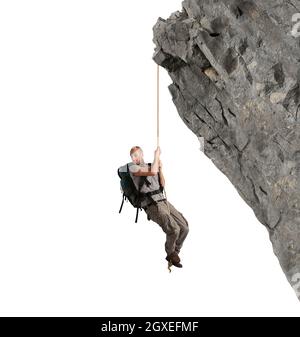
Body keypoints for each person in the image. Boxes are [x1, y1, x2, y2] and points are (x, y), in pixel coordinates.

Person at [128, 145, 189, 268]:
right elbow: (152, 172)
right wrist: (156, 156)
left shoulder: (152, 165)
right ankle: (170, 254)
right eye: (132, 156)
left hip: (163, 200)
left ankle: (175, 253)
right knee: (174, 229)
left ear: (142, 154)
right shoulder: (133, 168)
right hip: (152, 205)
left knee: (184, 227)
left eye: (136, 155)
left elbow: (162, 183)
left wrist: (161, 169)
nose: (134, 158)